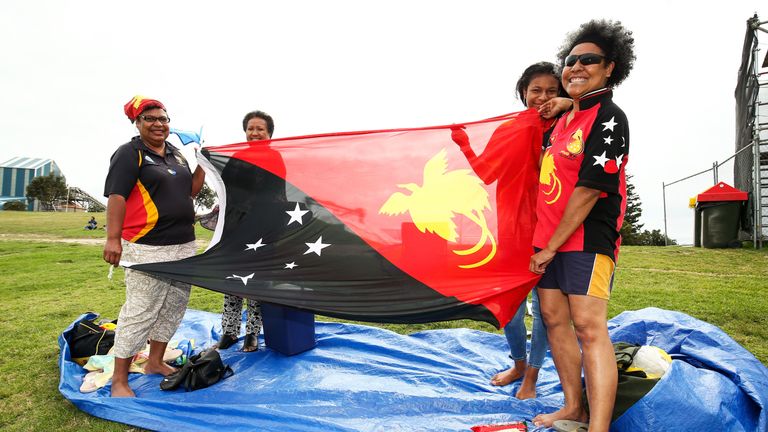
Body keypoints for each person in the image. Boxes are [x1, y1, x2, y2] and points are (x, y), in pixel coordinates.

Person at [530, 20, 635, 432]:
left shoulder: (610, 117)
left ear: (610, 67)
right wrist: (562, 106)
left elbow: (590, 189)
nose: (575, 66)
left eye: (587, 60)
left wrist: (552, 246)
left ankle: (599, 426)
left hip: (586, 239)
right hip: (547, 242)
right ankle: (574, 406)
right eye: (570, 61)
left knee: (590, 329)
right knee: (554, 322)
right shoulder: (562, 121)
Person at [453, 62, 570, 400]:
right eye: (536, 90)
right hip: (511, 231)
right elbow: (486, 173)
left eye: (552, 91)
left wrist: (569, 108)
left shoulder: (568, 127)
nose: (543, 97)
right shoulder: (509, 130)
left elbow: (594, 113)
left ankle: (531, 377)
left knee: (546, 309)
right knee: (512, 309)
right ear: (523, 93)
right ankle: (518, 364)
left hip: (551, 231)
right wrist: (463, 144)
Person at [103, 95, 205, 397]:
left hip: (184, 245)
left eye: (163, 118)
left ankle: (155, 361)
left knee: (173, 308)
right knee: (140, 311)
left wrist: (203, 164)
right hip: (147, 247)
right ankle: (119, 379)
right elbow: (117, 197)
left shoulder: (176, 154)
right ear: (138, 123)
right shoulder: (129, 153)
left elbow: (191, 192)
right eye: (150, 119)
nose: (158, 124)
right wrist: (112, 238)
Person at [216, 110, 284, 352]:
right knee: (231, 281)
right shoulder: (236, 158)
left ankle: (252, 333)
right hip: (235, 229)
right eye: (250, 129)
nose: (254, 133)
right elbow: (226, 190)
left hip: (262, 229)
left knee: (256, 283)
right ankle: (229, 331)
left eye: (260, 129)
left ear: (269, 134)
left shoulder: (275, 158)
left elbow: (277, 194)